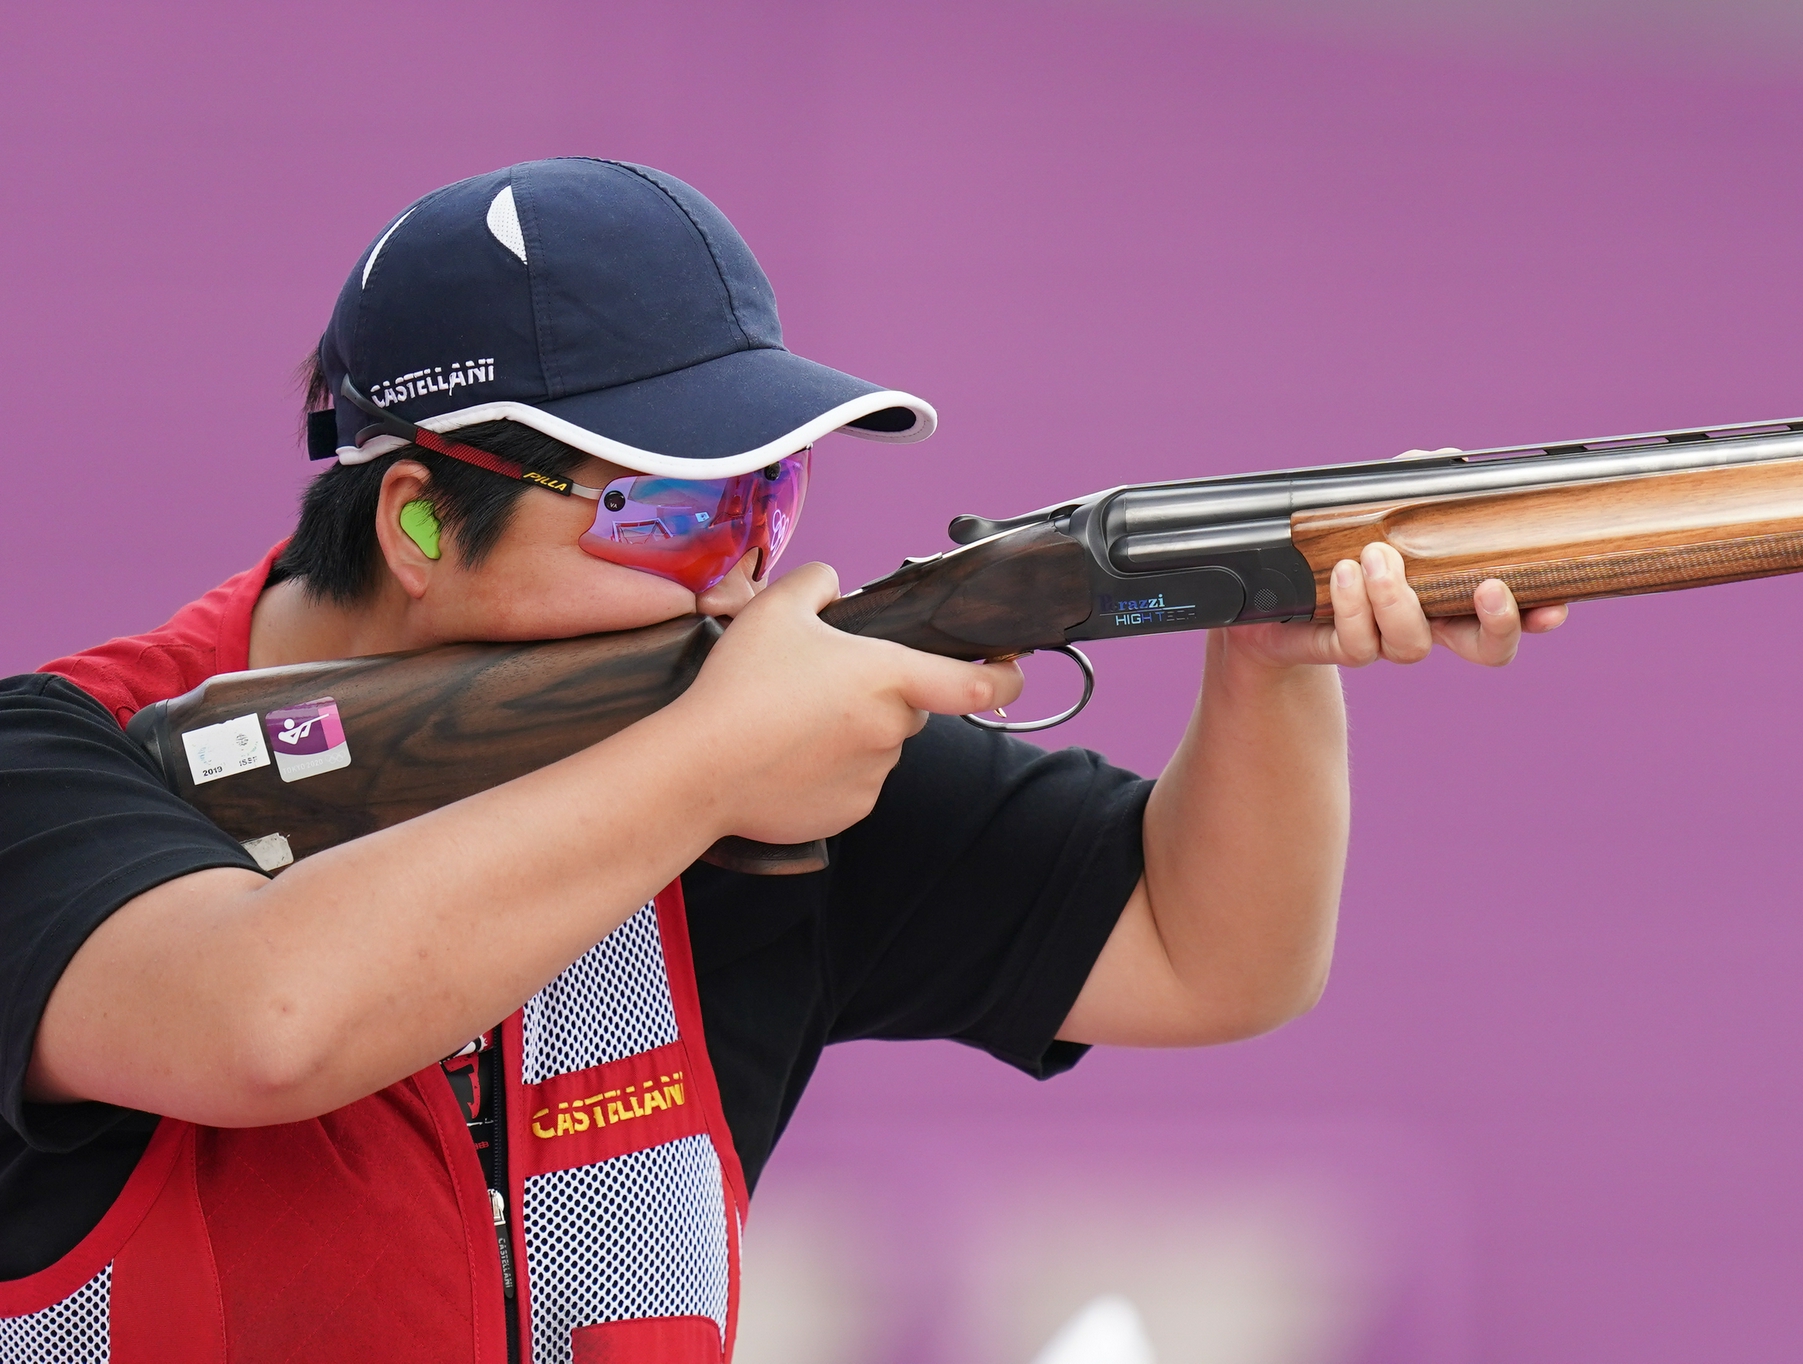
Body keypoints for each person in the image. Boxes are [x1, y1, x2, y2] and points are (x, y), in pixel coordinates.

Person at [0, 159, 1565, 1362]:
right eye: (672, 515)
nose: (743, 579)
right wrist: (713, 760)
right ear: (415, 519)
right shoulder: (55, 767)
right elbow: (261, 1019)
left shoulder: (740, 756)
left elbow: (1209, 954)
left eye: (771, 501)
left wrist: (1271, 654)